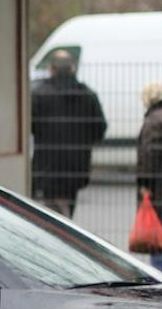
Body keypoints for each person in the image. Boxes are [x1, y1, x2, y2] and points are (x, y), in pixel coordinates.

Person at [30, 49, 106, 217]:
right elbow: (100, 128)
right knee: (67, 212)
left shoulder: (40, 94)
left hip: (47, 165)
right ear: (72, 68)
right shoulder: (87, 95)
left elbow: (30, 126)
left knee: (49, 216)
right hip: (76, 166)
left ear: (51, 69)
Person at [133, 81, 162, 273]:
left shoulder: (154, 120)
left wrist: (145, 182)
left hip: (159, 181)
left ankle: (159, 269)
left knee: (160, 226)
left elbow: (148, 154)